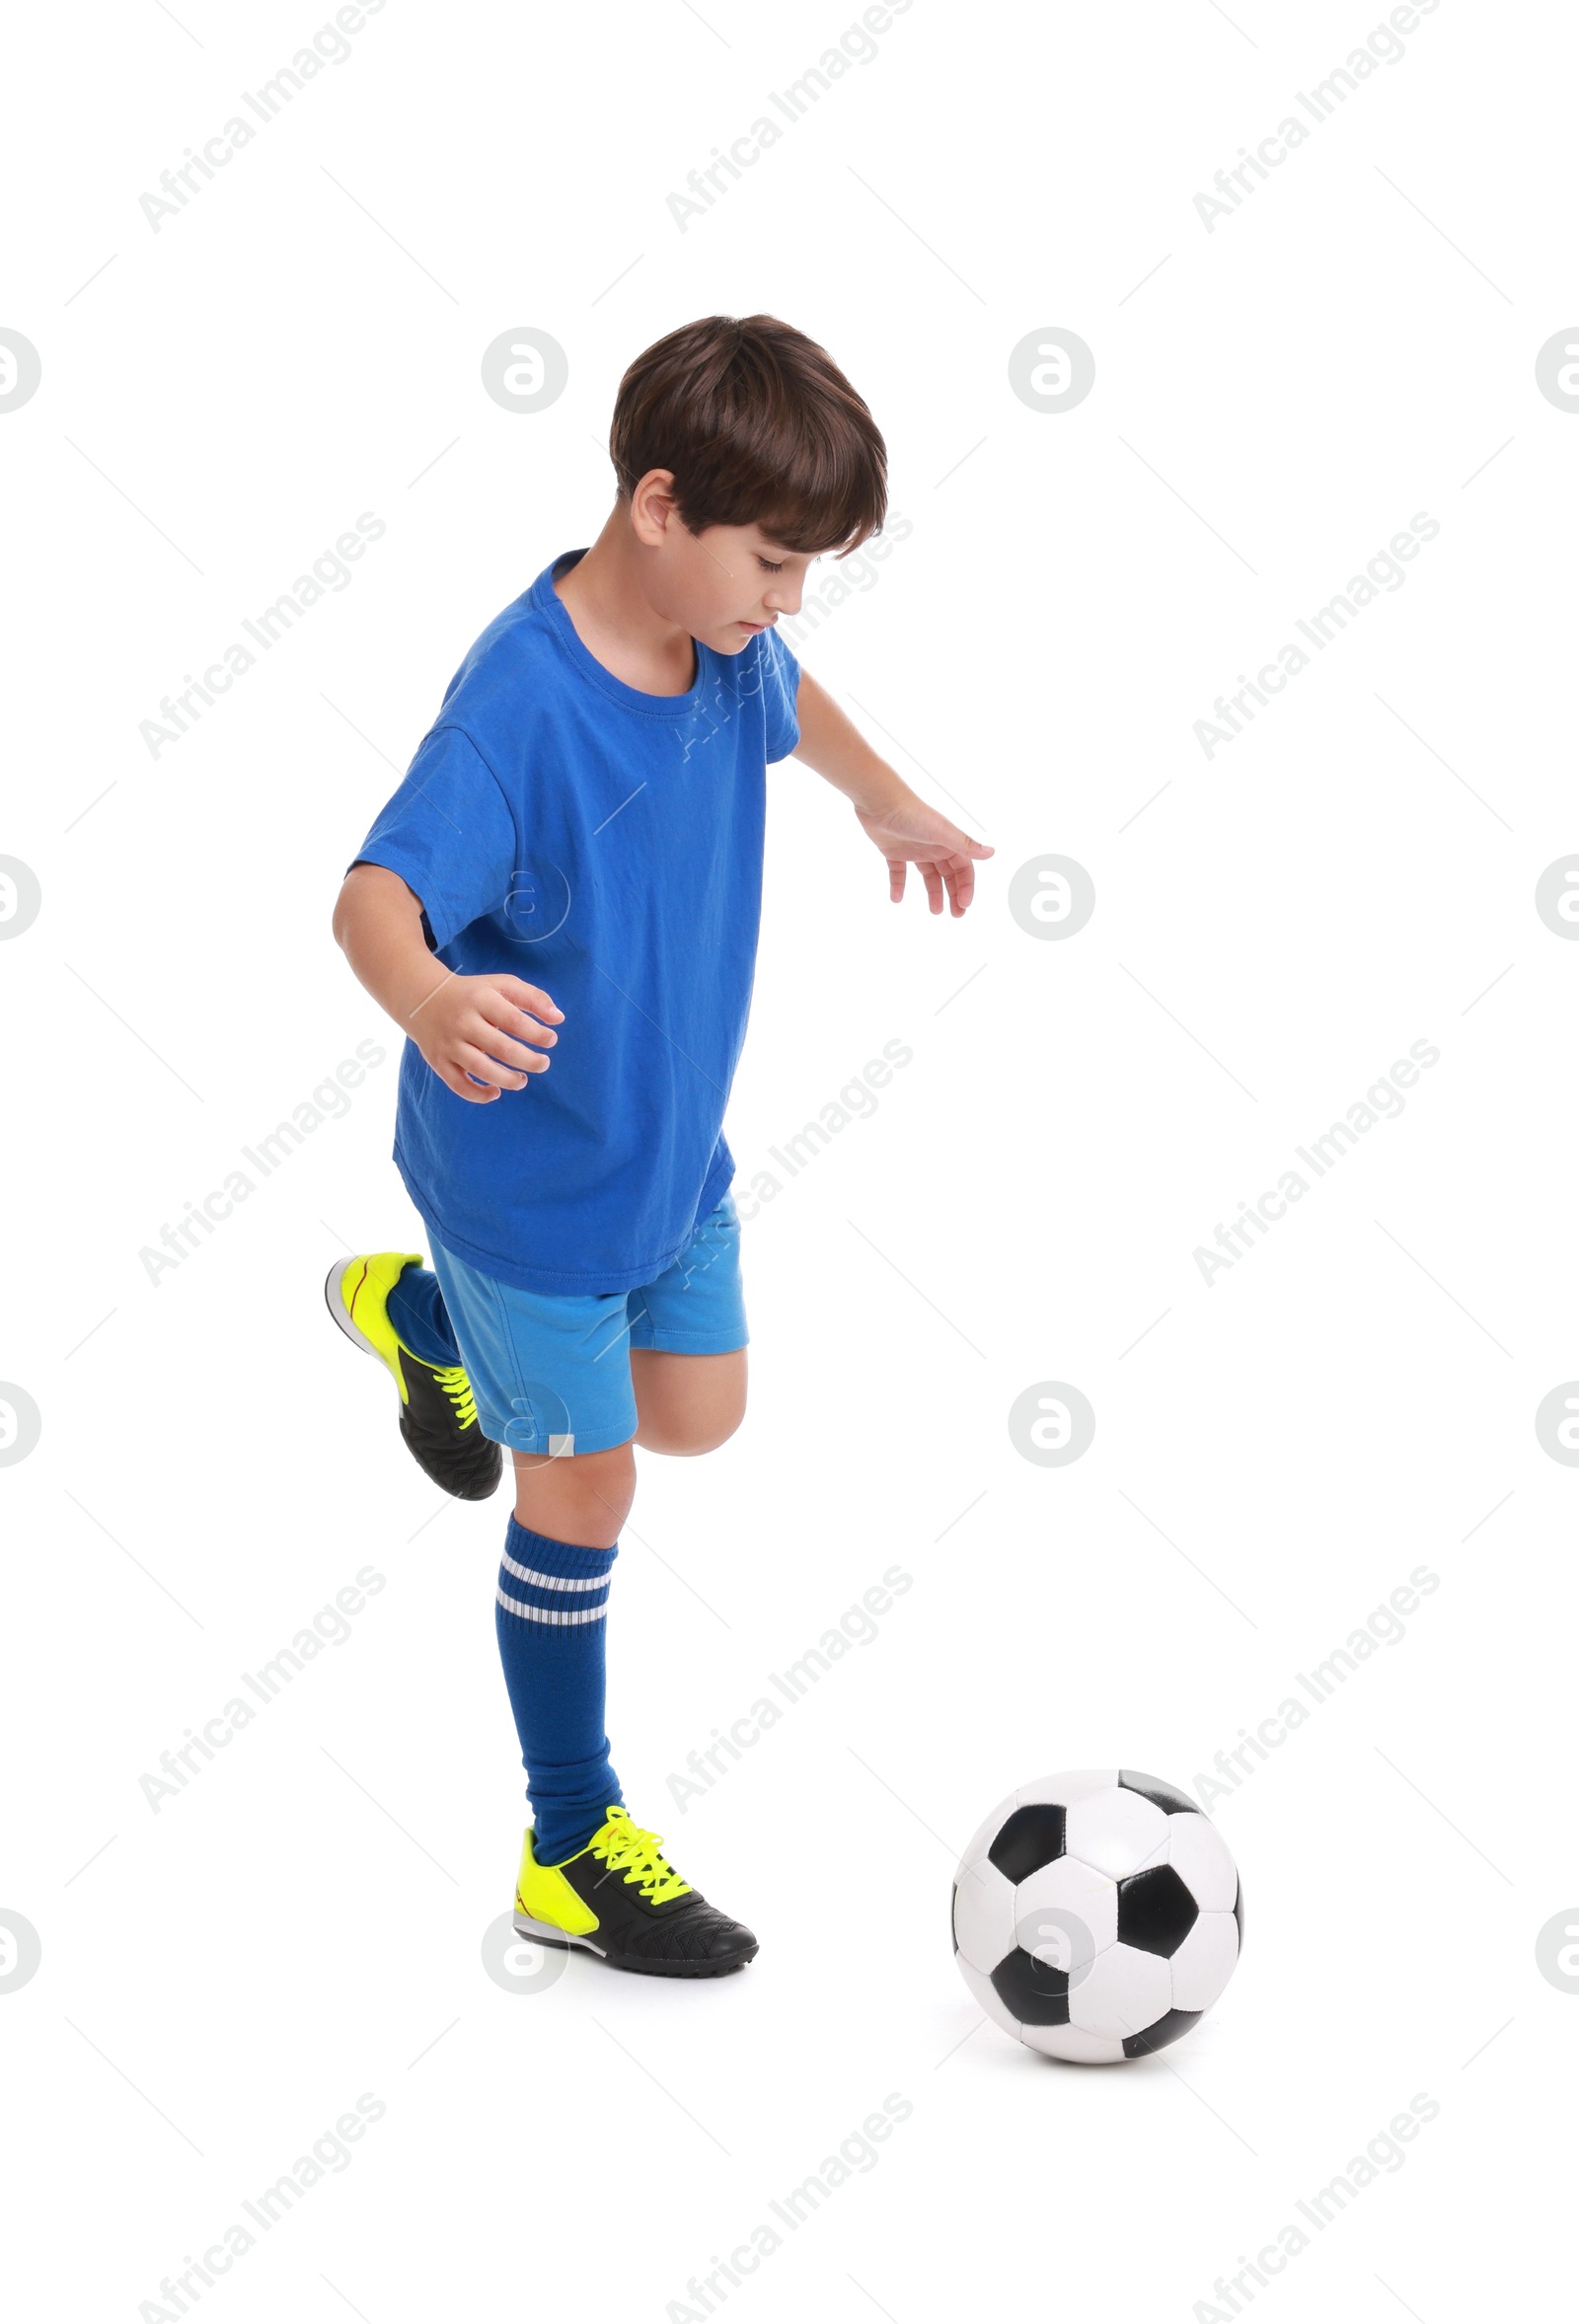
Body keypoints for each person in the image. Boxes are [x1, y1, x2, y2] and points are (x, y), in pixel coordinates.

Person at [327, 313, 992, 1977]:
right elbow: (371, 893)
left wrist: (881, 795)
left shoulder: (727, 644)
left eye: (806, 574)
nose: (785, 601)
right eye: (772, 560)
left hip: (669, 1161)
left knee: (699, 1417)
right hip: (533, 1193)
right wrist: (424, 997)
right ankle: (569, 1844)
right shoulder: (520, 710)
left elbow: (789, 693)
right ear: (656, 507)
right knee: (589, 1487)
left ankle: (419, 1324)